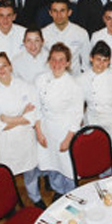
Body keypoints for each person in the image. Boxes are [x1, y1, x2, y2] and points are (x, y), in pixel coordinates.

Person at [0, 52, 45, 208]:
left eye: (4, 65)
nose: (2, 70)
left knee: (30, 171)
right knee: (7, 175)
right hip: (5, 143)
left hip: (26, 139)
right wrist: (22, 116)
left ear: (10, 66)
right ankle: (10, 203)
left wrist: (9, 119)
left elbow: (33, 116)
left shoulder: (26, 86)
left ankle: (35, 196)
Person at [34, 44, 84, 198]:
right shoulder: (40, 80)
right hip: (46, 128)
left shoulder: (74, 85)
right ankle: (58, 190)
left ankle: (70, 193)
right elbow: (36, 107)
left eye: (61, 60)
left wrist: (68, 139)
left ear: (68, 63)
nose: (57, 64)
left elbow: (77, 115)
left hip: (64, 130)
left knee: (67, 166)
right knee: (51, 163)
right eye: (54, 60)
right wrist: (38, 131)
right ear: (49, 61)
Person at [80, 41, 112, 174]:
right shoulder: (81, 79)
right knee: (102, 165)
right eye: (98, 59)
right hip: (95, 124)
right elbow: (78, 103)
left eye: (105, 60)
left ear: (109, 61)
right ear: (91, 58)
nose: (101, 64)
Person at [42, 0, 90, 74]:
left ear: (69, 12)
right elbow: (43, 62)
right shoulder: (43, 34)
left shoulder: (81, 33)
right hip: (51, 79)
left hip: (75, 79)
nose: (59, 15)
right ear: (50, 13)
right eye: (55, 11)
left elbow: (86, 64)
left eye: (62, 11)